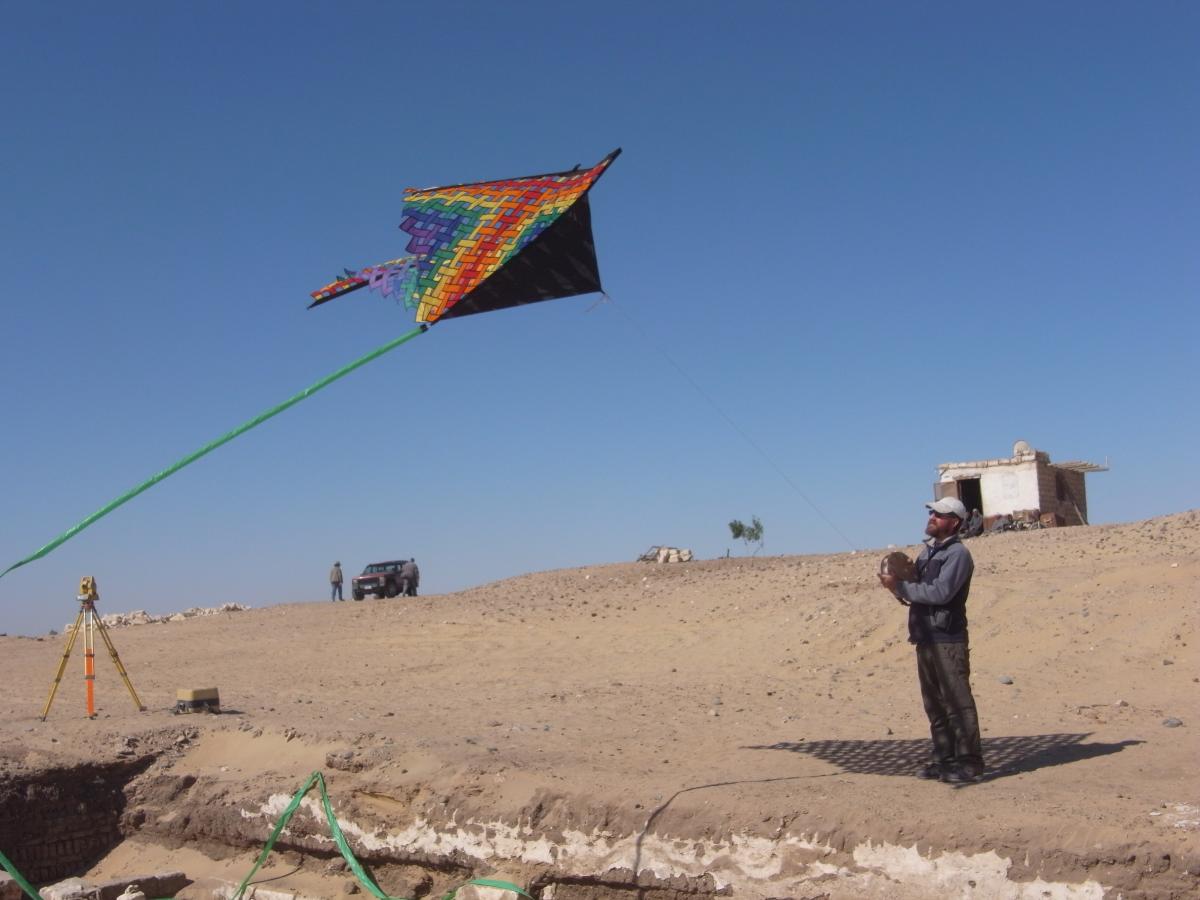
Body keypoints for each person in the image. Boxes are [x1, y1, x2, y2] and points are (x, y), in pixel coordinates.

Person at [878, 497, 984, 784]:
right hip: (924, 637)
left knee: (957, 703)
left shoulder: (958, 555)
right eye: (932, 512)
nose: (933, 517)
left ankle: (969, 763)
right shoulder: (927, 553)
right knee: (934, 705)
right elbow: (916, 589)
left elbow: (940, 593)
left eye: (940, 514)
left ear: (955, 522)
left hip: (947, 638)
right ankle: (944, 760)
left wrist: (901, 586)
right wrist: (895, 586)